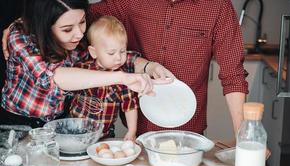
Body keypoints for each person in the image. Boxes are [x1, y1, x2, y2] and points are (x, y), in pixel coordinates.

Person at [87, 0, 249, 136]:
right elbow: (81, 15)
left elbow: (233, 75)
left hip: (188, 129)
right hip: (140, 127)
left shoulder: (218, 6)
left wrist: (244, 137)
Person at [0, 0, 172, 128]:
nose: (79, 34)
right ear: (44, 25)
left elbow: (111, 55)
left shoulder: (79, 37)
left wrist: (149, 66)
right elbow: (51, 76)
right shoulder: (20, 38)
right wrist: (122, 77)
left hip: (60, 120)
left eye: (82, 22)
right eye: (67, 29)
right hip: (19, 122)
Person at [70, 16, 139, 140]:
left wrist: (132, 131)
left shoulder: (124, 79)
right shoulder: (81, 69)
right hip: (75, 131)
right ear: (94, 52)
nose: (118, 57)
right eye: (111, 53)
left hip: (104, 135)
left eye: (122, 51)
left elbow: (130, 106)